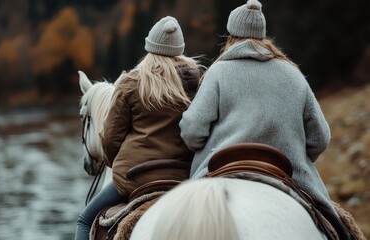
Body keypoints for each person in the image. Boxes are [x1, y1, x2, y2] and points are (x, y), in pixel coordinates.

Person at [179, 0, 347, 237]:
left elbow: (191, 133)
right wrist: (293, 150)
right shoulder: (293, 74)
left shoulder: (217, 72)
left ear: (231, 35)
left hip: (217, 170)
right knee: (341, 229)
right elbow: (320, 138)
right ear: (263, 35)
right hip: (290, 175)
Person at [74, 16, 201, 240]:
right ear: (179, 50)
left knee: (85, 220)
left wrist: (117, 165)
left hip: (134, 177)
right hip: (183, 176)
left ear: (150, 48)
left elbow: (111, 139)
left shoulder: (130, 83)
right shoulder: (194, 84)